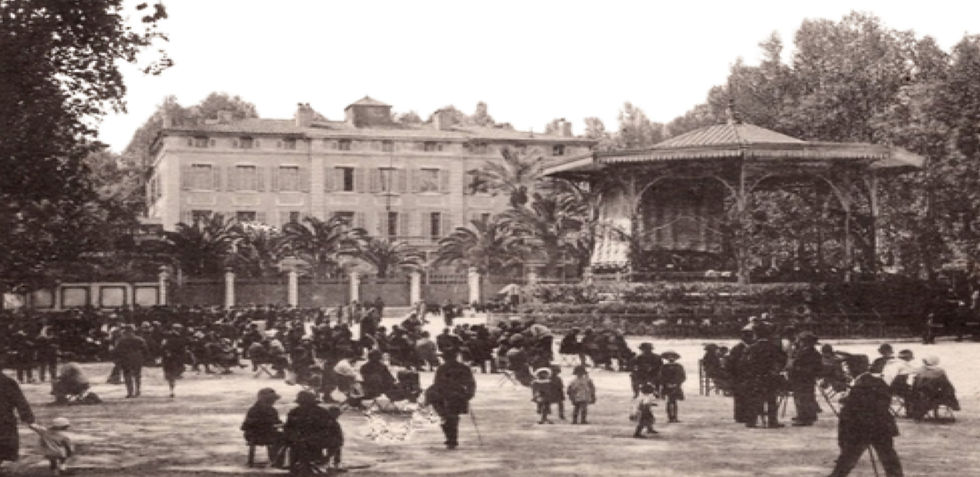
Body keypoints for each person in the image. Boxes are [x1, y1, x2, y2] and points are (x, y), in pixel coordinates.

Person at [827, 354, 904, 477]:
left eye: (848, 367)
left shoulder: (863, 383)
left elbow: (862, 405)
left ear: (856, 367)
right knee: (888, 458)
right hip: (880, 426)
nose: (847, 370)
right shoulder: (873, 381)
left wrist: (847, 401)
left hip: (863, 427)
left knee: (848, 458)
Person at [426, 348, 476, 449]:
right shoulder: (464, 368)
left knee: (445, 416)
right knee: (454, 416)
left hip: (444, 395)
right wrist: (469, 394)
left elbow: (437, 383)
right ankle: (452, 438)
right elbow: (471, 383)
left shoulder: (442, 368)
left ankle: (450, 438)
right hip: (458, 395)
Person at [743, 323, 787, 428]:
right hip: (770, 377)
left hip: (756, 377)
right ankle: (772, 421)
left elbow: (744, 362)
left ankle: (751, 421)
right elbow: (782, 360)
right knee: (771, 399)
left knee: (756, 399)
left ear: (756, 335)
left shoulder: (752, 348)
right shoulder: (773, 347)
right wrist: (776, 370)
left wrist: (750, 372)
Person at [283, 390, 334, 475]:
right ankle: (298, 465)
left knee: (303, 444)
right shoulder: (295, 412)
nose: (304, 405)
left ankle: (307, 464)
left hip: (317, 439)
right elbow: (288, 427)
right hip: (301, 439)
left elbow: (328, 428)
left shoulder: (321, 412)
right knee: (297, 443)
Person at [0, 371, 35, 472]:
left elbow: (19, 400)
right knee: (6, 450)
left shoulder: (7, 381)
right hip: (5, 421)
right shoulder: (7, 381)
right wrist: (28, 418)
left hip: (4, 420)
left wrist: (28, 418)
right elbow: (20, 401)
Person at [242, 388, 284, 468]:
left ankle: (275, 459)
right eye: (271, 400)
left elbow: (244, 426)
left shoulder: (254, 409)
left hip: (253, 435)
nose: (273, 402)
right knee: (284, 438)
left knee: (280, 436)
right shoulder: (268, 410)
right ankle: (276, 460)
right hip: (258, 435)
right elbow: (277, 423)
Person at [788, 331, 822, 426]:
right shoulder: (811, 352)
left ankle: (804, 418)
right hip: (806, 378)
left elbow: (795, 363)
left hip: (802, 377)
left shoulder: (807, 352)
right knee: (807, 396)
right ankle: (809, 415)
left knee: (802, 397)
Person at [725, 326, 755, 423]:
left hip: (746, 375)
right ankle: (740, 416)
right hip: (739, 375)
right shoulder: (738, 348)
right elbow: (730, 363)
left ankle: (745, 415)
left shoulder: (749, 347)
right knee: (740, 396)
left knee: (746, 396)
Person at [114, 325, 150, 398]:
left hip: (126, 358)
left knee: (127, 376)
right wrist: (144, 358)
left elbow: (117, 351)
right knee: (137, 375)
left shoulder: (121, 340)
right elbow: (145, 350)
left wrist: (117, 360)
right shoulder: (140, 339)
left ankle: (130, 392)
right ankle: (138, 391)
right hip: (137, 358)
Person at [160, 324, 189, 398]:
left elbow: (163, 347)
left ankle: (172, 390)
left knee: (171, 375)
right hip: (174, 358)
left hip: (170, 358)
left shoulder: (167, 337)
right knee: (172, 374)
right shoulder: (175, 337)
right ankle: (172, 390)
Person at [659, 351, 686, 423]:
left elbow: (682, 376)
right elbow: (661, 377)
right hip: (667, 386)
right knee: (670, 401)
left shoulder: (679, 366)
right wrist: (666, 383)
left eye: (673, 357)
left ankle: (674, 417)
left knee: (673, 401)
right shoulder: (664, 367)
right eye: (669, 357)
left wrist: (677, 383)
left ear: (675, 358)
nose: (671, 358)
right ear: (667, 358)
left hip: (676, 385)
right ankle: (670, 417)